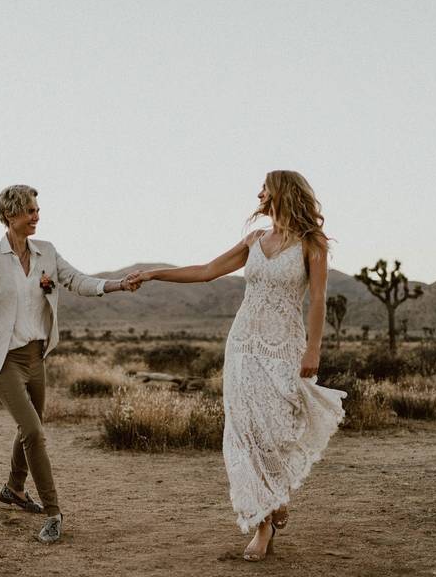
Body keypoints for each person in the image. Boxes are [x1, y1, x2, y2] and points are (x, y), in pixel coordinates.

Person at [128, 170, 346, 561]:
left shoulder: (312, 244)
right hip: (243, 346)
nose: (259, 193)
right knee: (245, 432)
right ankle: (263, 522)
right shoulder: (254, 240)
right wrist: (154, 273)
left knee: (275, 431)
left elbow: (317, 299)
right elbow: (206, 271)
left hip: (284, 348)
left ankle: (277, 496)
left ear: (281, 192)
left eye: (265, 186)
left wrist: (313, 350)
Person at [0, 184, 140, 544]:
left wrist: (118, 284)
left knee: (30, 428)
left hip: (36, 356)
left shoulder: (48, 253)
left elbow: (77, 281)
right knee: (35, 432)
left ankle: (13, 489)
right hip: (3, 361)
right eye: (30, 211)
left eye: (37, 210)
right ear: (10, 215)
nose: (37, 216)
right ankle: (54, 512)